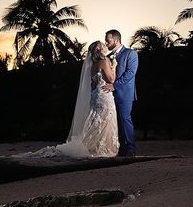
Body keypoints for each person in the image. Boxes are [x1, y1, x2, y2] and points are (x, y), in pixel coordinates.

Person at [28, 40, 119, 159]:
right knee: (104, 121)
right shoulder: (103, 62)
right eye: (103, 46)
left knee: (97, 122)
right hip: (104, 96)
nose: (105, 47)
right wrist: (114, 66)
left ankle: (94, 148)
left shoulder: (93, 65)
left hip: (96, 96)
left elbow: (93, 85)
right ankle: (99, 149)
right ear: (99, 50)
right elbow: (111, 79)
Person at [102, 29, 138, 157]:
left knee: (124, 119)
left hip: (125, 94)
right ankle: (120, 148)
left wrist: (114, 86)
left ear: (116, 40)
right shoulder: (108, 56)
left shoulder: (130, 53)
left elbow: (130, 73)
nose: (106, 42)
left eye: (108, 40)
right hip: (109, 95)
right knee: (114, 122)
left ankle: (130, 148)